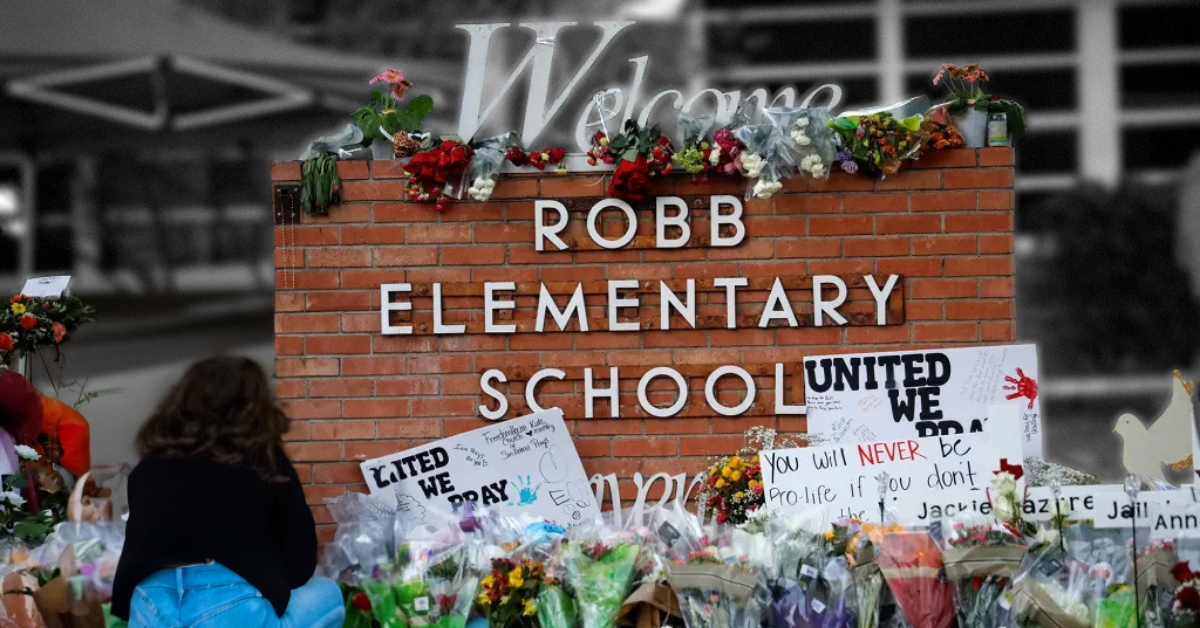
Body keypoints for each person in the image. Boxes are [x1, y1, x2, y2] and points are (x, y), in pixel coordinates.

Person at [111, 357, 344, 628]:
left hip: (149, 604)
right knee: (328, 593)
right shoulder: (264, 463)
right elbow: (300, 564)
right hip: (229, 605)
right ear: (255, 407)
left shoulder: (147, 469)